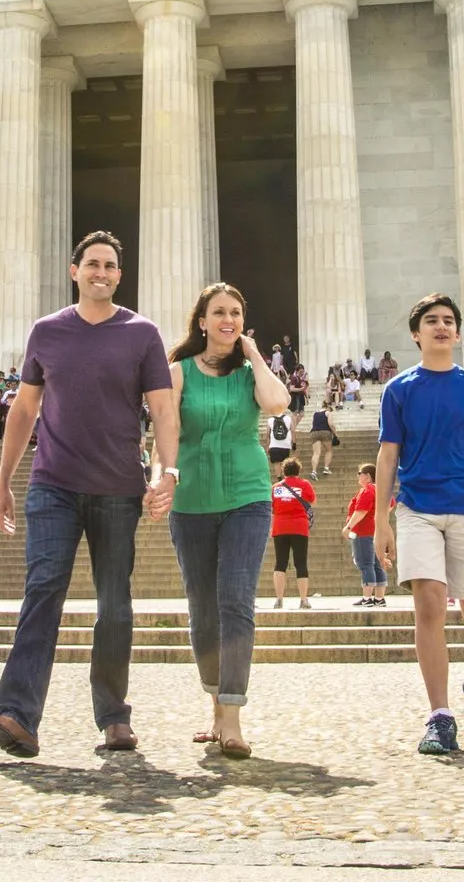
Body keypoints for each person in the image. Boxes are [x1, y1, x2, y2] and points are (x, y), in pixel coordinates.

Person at [0, 230, 177, 760]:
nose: (100, 272)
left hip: (116, 487)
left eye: (109, 265)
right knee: (42, 592)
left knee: (115, 605)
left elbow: (163, 410)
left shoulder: (142, 333)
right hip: (53, 484)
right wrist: (3, 480)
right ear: (74, 270)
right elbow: (23, 409)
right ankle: (18, 716)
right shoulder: (47, 331)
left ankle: (113, 716)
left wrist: (166, 472)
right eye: (92, 264)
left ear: (119, 275)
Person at [374, 294, 464, 756]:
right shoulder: (399, 389)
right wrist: (381, 519)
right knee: (430, 606)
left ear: (457, 334)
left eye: (448, 321)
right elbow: (388, 454)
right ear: (416, 334)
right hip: (416, 507)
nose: (441, 327)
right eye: (431, 321)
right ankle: (440, 715)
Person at [163, 282, 289, 759]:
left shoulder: (248, 373)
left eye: (236, 312)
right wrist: (164, 478)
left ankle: (232, 716)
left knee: (236, 602)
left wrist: (255, 355)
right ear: (202, 321)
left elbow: (278, 405)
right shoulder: (176, 373)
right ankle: (216, 703)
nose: (228, 320)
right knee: (203, 608)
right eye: (219, 312)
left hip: (247, 497)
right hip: (192, 499)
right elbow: (167, 432)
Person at [270, 458, 316, 610]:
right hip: (299, 527)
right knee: (301, 563)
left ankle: (279, 599)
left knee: (280, 563)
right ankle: (303, 599)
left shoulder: (276, 487)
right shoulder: (305, 485)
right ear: (299, 470)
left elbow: (272, 506)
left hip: (280, 527)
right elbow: (312, 501)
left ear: (283, 471)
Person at [306, 397, 338, 478]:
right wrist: (335, 433)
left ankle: (314, 471)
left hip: (314, 432)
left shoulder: (315, 413)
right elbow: (331, 424)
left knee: (316, 453)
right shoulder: (328, 413)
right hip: (325, 432)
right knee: (329, 450)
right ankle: (326, 468)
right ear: (328, 407)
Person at [266, 407, 295, 472]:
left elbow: (267, 434)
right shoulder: (288, 418)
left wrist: (267, 447)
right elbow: (293, 431)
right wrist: (294, 443)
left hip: (274, 445)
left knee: (276, 463)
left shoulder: (270, 419)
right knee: (285, 463)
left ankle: (279, 478)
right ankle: (285, 476)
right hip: (286, 445)